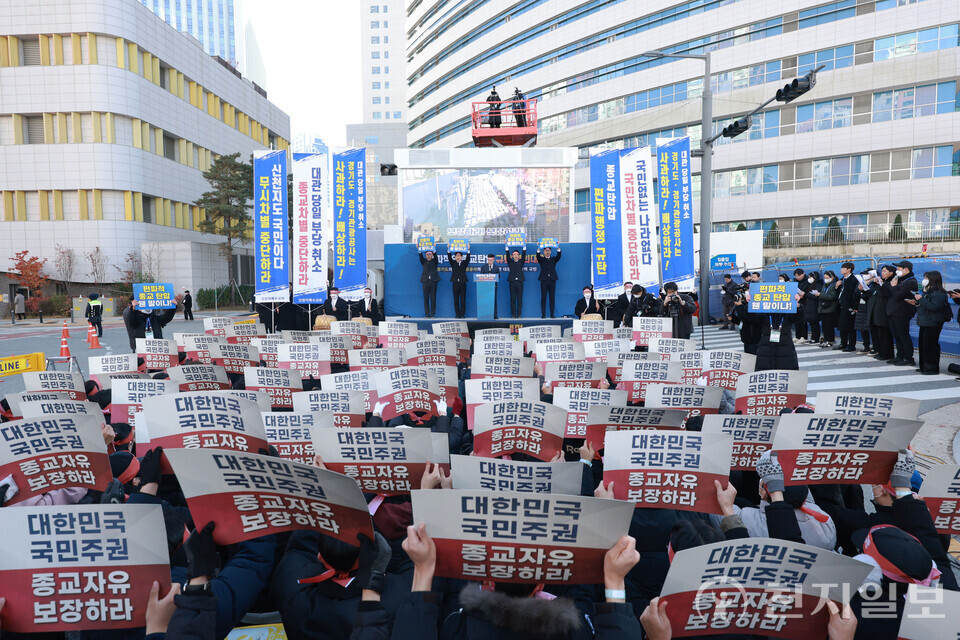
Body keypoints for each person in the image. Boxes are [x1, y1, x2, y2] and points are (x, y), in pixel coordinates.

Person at [913, 270, 951, 375]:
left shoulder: (939, 293)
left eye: (926, 278)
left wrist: (921, 299)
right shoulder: (928, 292)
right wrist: (917, 302)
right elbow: (926, 305)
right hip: (926, 321)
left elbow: (934, 307)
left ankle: (932, 368)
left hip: (933, 322)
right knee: (923, 344)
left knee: (930, 345)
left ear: (933, 279)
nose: (924, 280)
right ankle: (924, 366)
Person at [883, 260, 919, 367]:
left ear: (906, 269)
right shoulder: (899, 280)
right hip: (893, 311)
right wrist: (891, 284)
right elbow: (888, 293)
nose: (897, 271)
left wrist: (894, 286)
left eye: (899, 269)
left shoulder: (911, 282)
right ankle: (900, 355)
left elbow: (899, 295)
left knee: (903, 335)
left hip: (902, 313)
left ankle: (908, 358)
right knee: (897, 335)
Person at [872, 265, 895, 361]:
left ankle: (887, 354)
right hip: (879, 310)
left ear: (891, 273)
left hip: (886, 311)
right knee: (880, 333)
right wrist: (877, 284)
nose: (882, 273)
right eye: (882, 271)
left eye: (885, 271)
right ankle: (881, 352)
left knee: (886, 334)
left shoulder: (892, 282)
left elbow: (887, 294)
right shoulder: (884, 282)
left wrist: (881, 285)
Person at [835, 262, 859, 352]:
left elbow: (855, 294)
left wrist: (854, 306)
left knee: (850, 327)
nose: (841, 270)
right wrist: (837, 286)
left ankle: (851, 345)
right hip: (842, 305)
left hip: (850, 306)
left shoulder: (853, 279)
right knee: (842, 325)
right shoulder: (842, 279)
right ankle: (843, 343)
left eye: (843, 268)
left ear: (849, 269)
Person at [536, 246, 561, 318]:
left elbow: (558, 256)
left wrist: (558, 248)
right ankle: (543, 314)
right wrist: (538, 248)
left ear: (550, 251)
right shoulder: (541, 259)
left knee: (552, 298)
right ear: (544, 252)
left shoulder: (553, 259)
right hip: (543, 280)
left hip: (552, 280)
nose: (547, 252)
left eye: (548, 250)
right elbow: (537, 256)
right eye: (546, 250)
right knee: (543, 297)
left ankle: (552, 314)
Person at [818, 270, 840, 348]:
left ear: (832, 277)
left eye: (827, 278)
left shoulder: (834, 285)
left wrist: (820, 295)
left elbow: (832, 296)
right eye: (824, 278)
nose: (825, 279)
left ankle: (830, 339)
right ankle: (826, 339)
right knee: (824, 325)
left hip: (830, 308)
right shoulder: (825, 285)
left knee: (829, 325)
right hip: (823, 307)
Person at [447, 249, 471, 319]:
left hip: (463, 283)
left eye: (459, 256)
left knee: (463, 299)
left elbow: (468, 258)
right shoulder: (453, 263)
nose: (458, 257)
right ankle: (457, 314)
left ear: (461, 257)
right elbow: (449, 257)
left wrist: (468, 250)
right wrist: (448, 249)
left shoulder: (464, 263)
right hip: (455, 283)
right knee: (456, 299)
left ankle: (462, 314)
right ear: (455, 257)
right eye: (456, 256)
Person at [854, 272, 873, 354]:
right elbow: (855, 295)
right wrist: (859, 290)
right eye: (864, 274)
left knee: (872, 329)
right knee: (862, 328)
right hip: (861, 308)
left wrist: (864, 291)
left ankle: (875, 347)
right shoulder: (860, 283)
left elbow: (869, 295)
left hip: (869, 308)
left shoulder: (873, 283)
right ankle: (866, 346)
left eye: (867, 274)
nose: (865, 275)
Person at [505, 246, 526, 318]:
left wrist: (524, 246)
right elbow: (507, 256)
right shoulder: (510, 262)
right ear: (512, 256)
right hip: (512, 282)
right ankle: (513, 314)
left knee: (519, 299)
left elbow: (524, 255)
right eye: (514, 255)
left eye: (517, 255)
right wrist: (506, 247)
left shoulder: (521, 261)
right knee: (513, 299)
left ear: (519, 256)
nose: (516, 256)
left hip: (520, 282)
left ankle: (519, 314)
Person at [419, 249, 440, 318]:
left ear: (432, 255)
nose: (429, 256)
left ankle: (432, 314)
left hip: (433, 281)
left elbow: (436, 257)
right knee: (426, 298)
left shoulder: (434, 261)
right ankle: (427, 314)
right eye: (427, 254)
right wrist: (419, 250)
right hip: (425, 281)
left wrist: (434, 250)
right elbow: (420, 256)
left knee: (433, 298)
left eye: (430, 254)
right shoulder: (424, 261)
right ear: (425, 255)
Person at [802, 271, 822, 344]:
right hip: (809, 306)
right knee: (811, 322)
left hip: (814, 306)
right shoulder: (808, 284)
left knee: (815, 322)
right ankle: (813, 337)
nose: (809, 279)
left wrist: (806, 295)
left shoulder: (818, 285)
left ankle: (815, 337)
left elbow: (816, 296)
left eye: (811, 277)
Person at [479, 253, 501, 319]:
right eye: (489, 260)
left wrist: (492, 277)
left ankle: (495, 315)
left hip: (493, 286)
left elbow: (498, 276)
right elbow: (481, 276)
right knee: (485, 300)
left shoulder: (496, 268)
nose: (490, 261)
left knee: (494, 301)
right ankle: (485, 314)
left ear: (493, 260)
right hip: (485, 286)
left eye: (491, 260)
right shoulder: (483, 267)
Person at [793, 268, 808, 342]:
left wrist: (801, 294)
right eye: (796, 276)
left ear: (803, 274)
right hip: (796, 302)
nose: (797, 277)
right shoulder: (794, 282)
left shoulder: (807, 281)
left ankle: (803, 336)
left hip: (804, 303)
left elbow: (804, 294)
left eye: (799, 275)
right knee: (796, 320)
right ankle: (797, 336)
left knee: (803, 321)